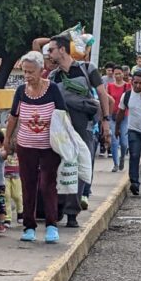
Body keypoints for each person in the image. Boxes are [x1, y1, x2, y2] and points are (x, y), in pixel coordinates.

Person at [47, 35, 111, 221]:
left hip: (84, 125)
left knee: (81, 166)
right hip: (61, 127)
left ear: (63, 49)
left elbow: (102, 94)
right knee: (62, 166)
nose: (49, 54)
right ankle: (58, 208)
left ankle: (72, 213)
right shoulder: (53, 76)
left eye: (51, 50)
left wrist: (105, 120)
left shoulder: (87, 69)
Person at [5, 51, 66, 243]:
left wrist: (65, 141)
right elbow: (14, 116)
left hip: (49, 146)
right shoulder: (21, 91)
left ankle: (51, 225)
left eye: (31, 72)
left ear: (41, 70)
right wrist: (7, 139)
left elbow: (63, 116)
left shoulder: (53, 89)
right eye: (25, 72)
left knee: (48, 184)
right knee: (28, 184)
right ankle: (29, 226)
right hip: (26, 145)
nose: (28, 76)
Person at [106, 66, 130, 172]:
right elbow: (106, 101)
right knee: (114, 141)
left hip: (124, 116)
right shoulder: (109, 86)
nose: (118, 75)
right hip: (112, 116)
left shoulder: (128, 86)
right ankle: (115, 164)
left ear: (123, 74)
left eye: (119, 73)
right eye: (116, 73)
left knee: (124, 142)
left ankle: (122, 158)